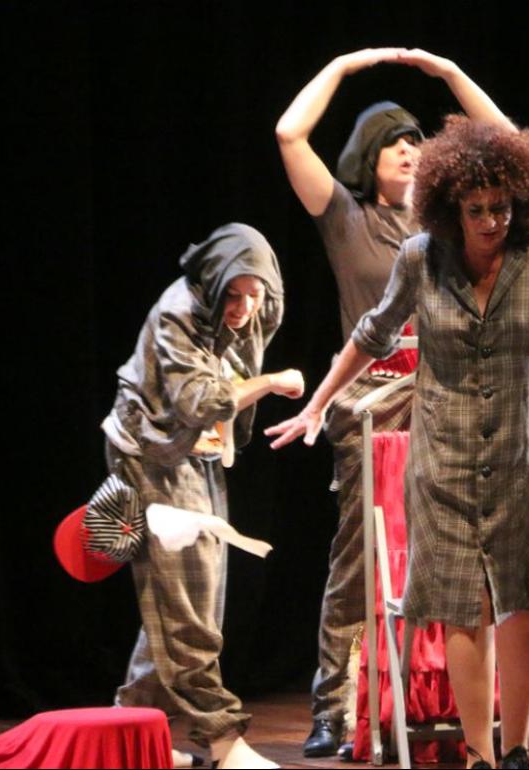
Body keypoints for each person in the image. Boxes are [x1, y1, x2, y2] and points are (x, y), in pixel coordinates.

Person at [267, 116, 529, 769]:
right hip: (446, 459)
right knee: (464, 607)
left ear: (521, 198)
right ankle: (479, 753)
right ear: (450, 206)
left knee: (521, 600)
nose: (491, 222)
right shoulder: (422, 258)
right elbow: (372, 333)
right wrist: (319, 403)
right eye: (477, 210)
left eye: (502, 207)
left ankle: (518, 750)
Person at [274, 47, 516, 758]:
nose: (410, 154)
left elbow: (509, 142)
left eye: (419, 144)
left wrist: (447, 76)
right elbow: (290, 134)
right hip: (372, 405)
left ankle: (451, 699)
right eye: (395, 144)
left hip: (450, 402)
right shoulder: (345, 218)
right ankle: (334, 705)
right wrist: (347, 67)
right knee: (360, 556)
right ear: (367, 157)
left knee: (466, 554)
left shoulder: (448, 224)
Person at [100, 223, 304, 769]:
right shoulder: (178, 311)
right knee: (187, 600)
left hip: (200, 454)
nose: (243, 308)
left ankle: (130, 735)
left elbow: (260, 310)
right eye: (232, 296)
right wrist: (270, 381)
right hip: (151, 456)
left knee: (185, 600)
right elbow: (197, 401)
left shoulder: (261, 298)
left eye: (253, 294)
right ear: (213, 284)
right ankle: (221, 739)